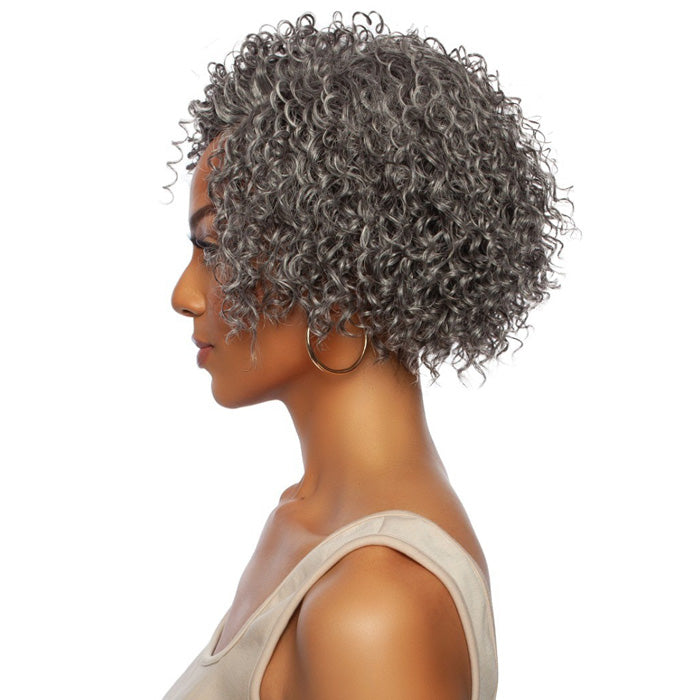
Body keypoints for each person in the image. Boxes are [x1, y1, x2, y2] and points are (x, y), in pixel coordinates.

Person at [163, 10, 575, 700]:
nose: (184, 294)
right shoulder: (302, 521)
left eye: (216, 247)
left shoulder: (374, 605)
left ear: (334, 270)